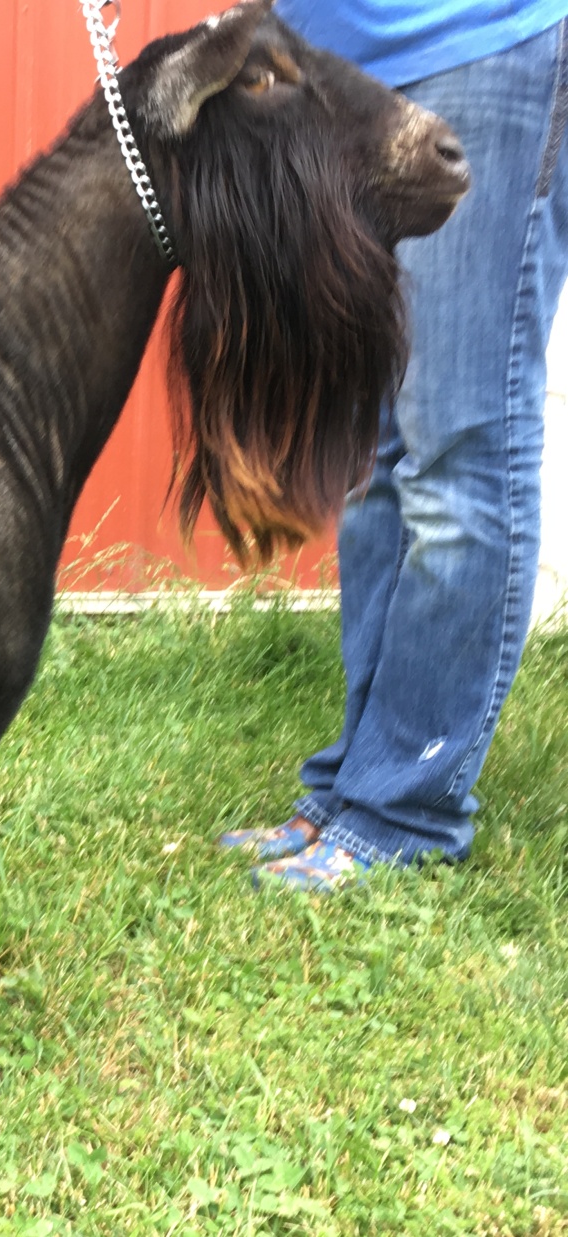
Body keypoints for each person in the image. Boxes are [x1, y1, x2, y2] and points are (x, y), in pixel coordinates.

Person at [220, 0, 568, 891]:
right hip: (335, 61)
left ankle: (405, 809)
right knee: (374, 457)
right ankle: (358, 782)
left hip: (479, 38)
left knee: (459, 442)